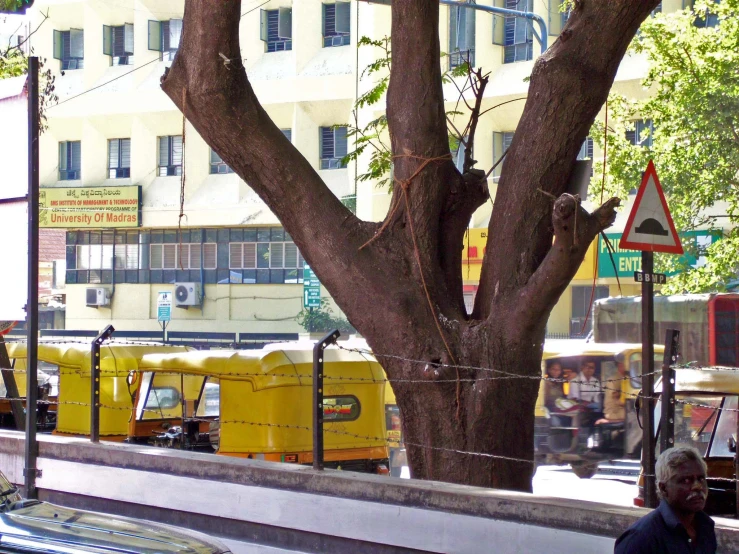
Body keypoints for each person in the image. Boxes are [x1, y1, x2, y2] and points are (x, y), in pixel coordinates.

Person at [614, 446, 716, 553]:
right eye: (686, 480)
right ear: (663, 488)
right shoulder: (640, 538)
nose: (698, 486)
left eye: (701, 479)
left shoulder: (705, 527)